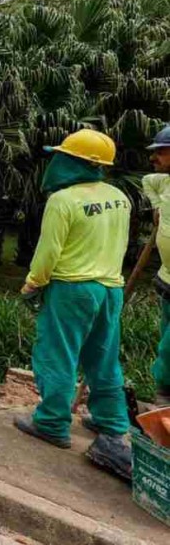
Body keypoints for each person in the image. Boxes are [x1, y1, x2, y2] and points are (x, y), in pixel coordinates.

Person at [14, 129, 133, 481]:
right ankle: (112, 423)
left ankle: (51, 422)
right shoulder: (120, 196)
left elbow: (49, 251)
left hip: (71, 289)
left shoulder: (63, 200)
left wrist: (33, 282)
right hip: (110, 288)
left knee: (57, 354)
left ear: (73, 161)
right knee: (103, 358)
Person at [124, 125, 170, 408]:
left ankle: (164, 392)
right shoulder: (164, 182)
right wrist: (156, 207)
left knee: (169, 345)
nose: (156, 158)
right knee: (166, 331)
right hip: (167, 277)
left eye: (162, 152)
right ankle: (165, 391)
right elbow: (148, 181)